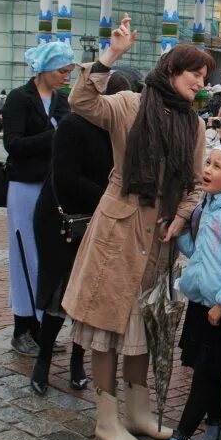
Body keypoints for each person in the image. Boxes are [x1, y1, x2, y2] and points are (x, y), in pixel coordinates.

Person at [63, 16, 212, 440]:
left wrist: (181, 217)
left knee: (144, 325)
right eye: (194, 74)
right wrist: (112, 55)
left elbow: (194, 184)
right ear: (171, 71)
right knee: (108, 325)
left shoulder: (194, 124)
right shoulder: (130, 104)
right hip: (119, 226)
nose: (200, 84)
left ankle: (140, 412)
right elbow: (82, 102)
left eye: (205, 78)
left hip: (160, 236)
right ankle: (107, 419)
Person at [141, 145, 221, 440]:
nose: (208, 169)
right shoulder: (205, 207)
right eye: (208, 162)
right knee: (209, 371)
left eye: (218, 166)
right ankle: (216, 431)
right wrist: (176, 234)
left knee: (205, 375)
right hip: (200, 303)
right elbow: (198, 252)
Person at [30, 69, 140, 397]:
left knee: (90, 294)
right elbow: (66, 179)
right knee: (60, 291)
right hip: (61, 220)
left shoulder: (123, 130)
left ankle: (78, 360)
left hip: (100, 218)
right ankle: (43, 360)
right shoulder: (74, 125)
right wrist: (114, 196)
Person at [2, 43, 75, 357]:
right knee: (24, 255)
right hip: (23, 186)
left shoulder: (60, 101)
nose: (65, 78)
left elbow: (68, 136)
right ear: (45, 69)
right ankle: (23, 327)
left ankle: (44, 328)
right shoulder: (20, 98)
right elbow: (13, 144)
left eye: (69, 72)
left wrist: (59, 134)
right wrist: (53, 134)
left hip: (51, 188)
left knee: (48, 256)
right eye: (62, 71)